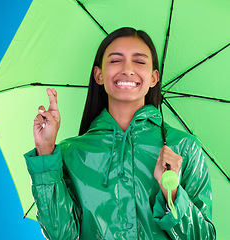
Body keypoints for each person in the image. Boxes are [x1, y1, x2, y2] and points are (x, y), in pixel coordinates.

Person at [24, 27, 216, 239]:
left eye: (140, 61)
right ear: (98, 75)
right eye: (116, 60)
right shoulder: (72, 153)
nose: (127, 69)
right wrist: (45, 150)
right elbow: (61, 234)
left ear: (153, 78)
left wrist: (171, 193)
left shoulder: (183, 147)